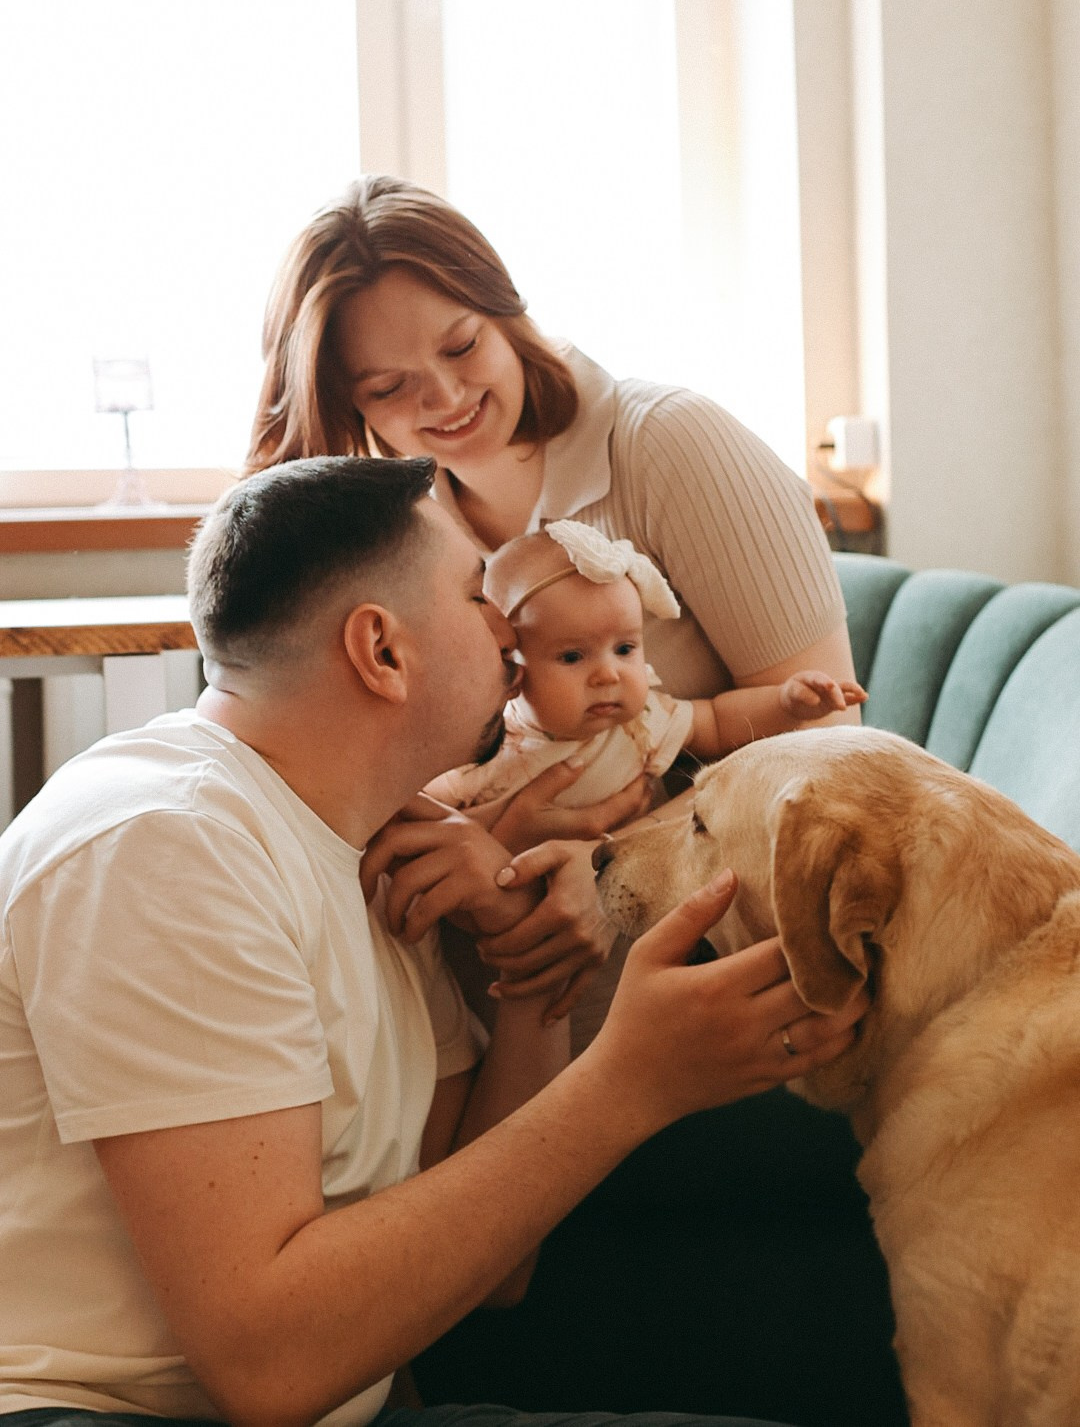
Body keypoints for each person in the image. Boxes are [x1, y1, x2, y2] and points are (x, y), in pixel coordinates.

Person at [0, 455, 866, 1427]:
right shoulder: (164, 845)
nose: (512, 627)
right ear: (382, 649)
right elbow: (269, 1365)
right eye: (476, 592)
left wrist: (529, 965)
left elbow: (491, 1266)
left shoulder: (377, 842)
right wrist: (630, 1082)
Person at [247, 174, 860, 850]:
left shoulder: (670, 444)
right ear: (348, 404)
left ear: (505, 314)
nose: (447, 395)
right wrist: (484, 845)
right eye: (390, 387)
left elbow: (830, 750)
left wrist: (602, 867)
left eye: (462, 347)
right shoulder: (398, 534)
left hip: (723, 904)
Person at [427, 521, 867, 820]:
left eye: (624, 648)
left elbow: (717, 721)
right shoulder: (493, 746)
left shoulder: (641, 723)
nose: (608, 675)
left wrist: (787, 702)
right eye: (572, 657)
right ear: (511, 666)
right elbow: (431, 810)